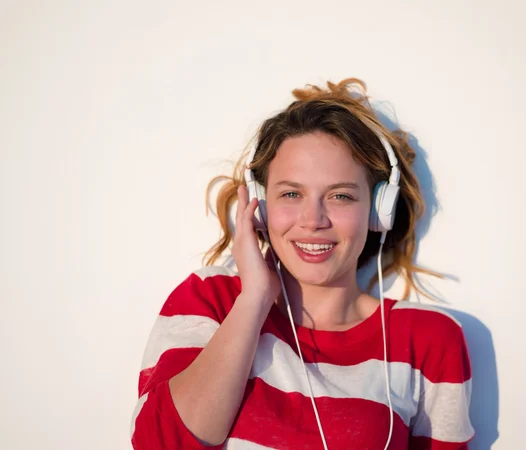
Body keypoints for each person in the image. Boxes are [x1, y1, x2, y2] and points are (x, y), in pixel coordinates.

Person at [130, 78, 475, 450]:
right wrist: (254, 299)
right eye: (291, 193)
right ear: (260, 205)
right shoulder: (209, 299)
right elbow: (159, 443)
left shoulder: (427, 339)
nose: (313, 220)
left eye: (340, 196)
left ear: (377, 211)